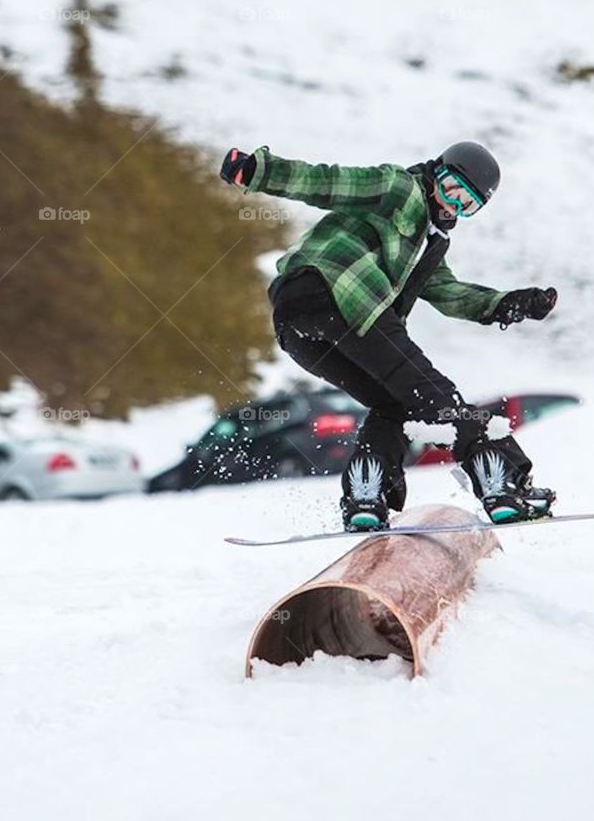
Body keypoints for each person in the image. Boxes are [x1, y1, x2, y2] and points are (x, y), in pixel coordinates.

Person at [220, 140, 558, 531]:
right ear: (436, 171)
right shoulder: (400, 188)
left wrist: (506, 304)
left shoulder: (431, 243)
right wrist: (259, 171)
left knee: (395, 405)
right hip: (340, 291)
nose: (453, 204)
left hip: (297, 326)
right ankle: (503, 484)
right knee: (437, 397)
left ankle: (367, 494)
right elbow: (328, 183)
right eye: (451, 189)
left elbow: (448, 293)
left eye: (467, 203)